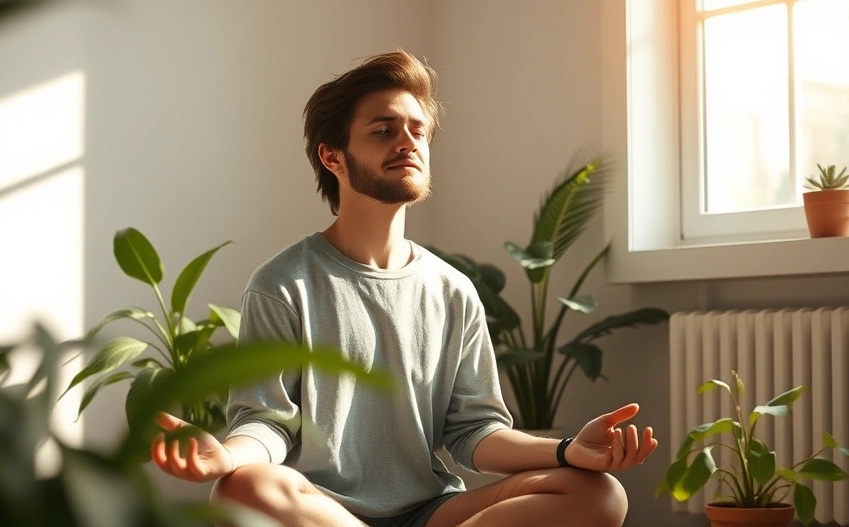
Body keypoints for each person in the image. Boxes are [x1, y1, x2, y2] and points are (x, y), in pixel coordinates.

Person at [152, 50, 659, 527]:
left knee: (599, 494)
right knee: (243, 487)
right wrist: (227, 455)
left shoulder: (453, 290)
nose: (408, 141)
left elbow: (474, 432)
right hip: (319, 510)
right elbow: (268, 423)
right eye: (383, 129)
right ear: (333, 157)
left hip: (430, 512)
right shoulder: (283, 284)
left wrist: (569, 450)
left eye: (418, 130)